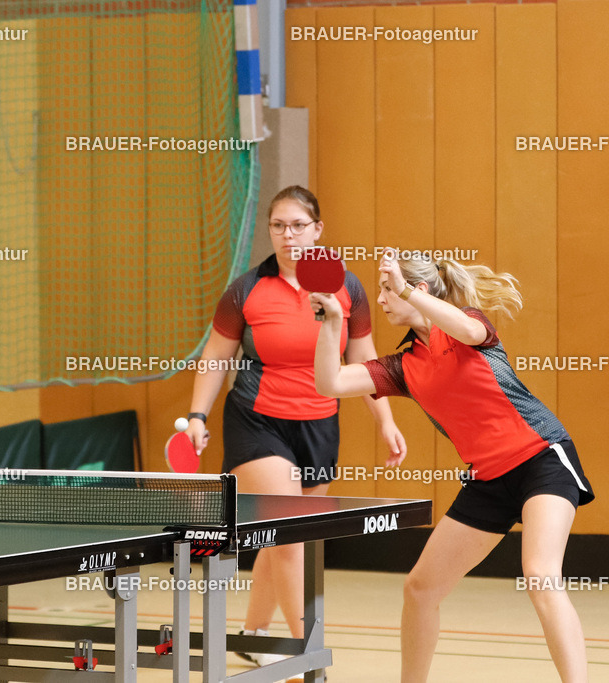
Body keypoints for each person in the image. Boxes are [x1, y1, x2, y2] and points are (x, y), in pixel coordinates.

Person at [311, 251, 594, 682]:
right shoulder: (403, 366)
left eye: (389, 289)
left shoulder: (468, 325)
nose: (383, 298)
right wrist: (332, 323)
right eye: (384, 290)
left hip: (542, 459)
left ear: (419, 290)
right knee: (420, 589)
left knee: (539, 574)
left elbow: (464, 327)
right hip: (487, 480)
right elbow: (330, 383)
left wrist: (403, 287)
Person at [186, 186, 406, 664]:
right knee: (288, 533)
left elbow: (364, 359)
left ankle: (253, 634)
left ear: (318, 229)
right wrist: (199, 416)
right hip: (257, 422)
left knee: (286, 537)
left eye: (298, 225)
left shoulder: (347, 287)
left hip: (320, 423)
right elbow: (216, 356)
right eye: (279, 226)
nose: (289, 235)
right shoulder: (245, 289)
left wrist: (385, 419)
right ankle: (305, 647)